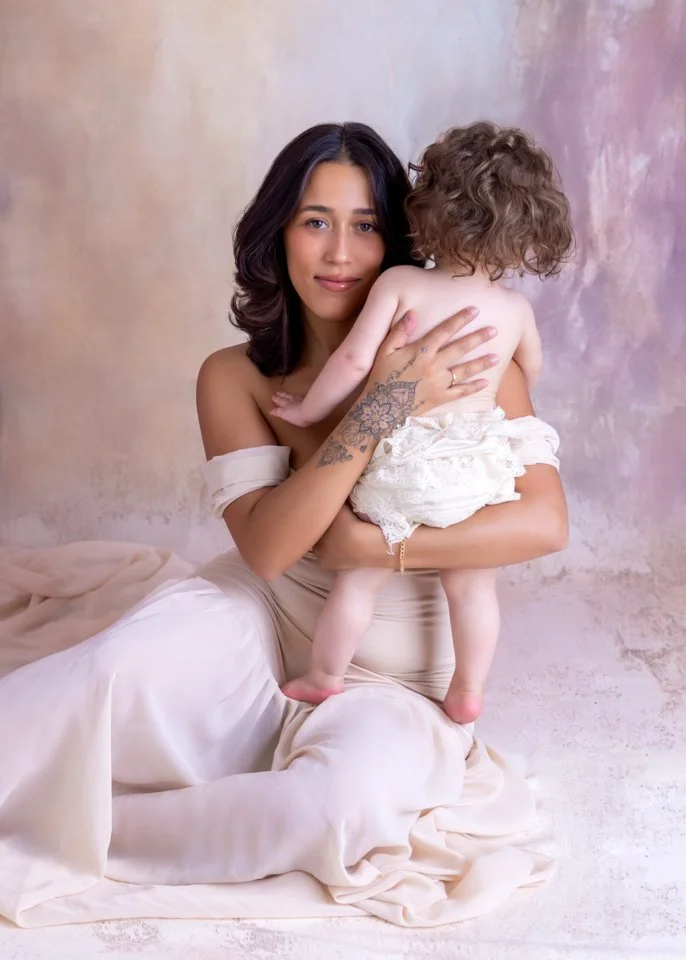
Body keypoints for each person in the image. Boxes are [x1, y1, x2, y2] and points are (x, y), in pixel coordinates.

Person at [0, 122, 567, 928]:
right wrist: (383, 404)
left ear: (404, 240)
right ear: (278, 233)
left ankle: (78, 833)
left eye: (366, 225)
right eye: (315, 221)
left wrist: (378, 547)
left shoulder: (470, 352)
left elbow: (545, 521)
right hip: (261, 615)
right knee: (103, 677)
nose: (339, 251)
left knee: (334, 810)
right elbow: (270, 549)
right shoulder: (233, 376)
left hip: (395, 684)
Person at [271, 122, 573, 723]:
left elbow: (356, 361)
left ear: (427, 209)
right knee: (473, 588)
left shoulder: (401, 283)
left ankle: (325, 676)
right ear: (527, 230)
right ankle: (466, 690)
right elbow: (529, 370)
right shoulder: (514, 309)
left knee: (358, 580)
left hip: (403, 465)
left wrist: (308, 409)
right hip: (475, 473)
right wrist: (485, 403)